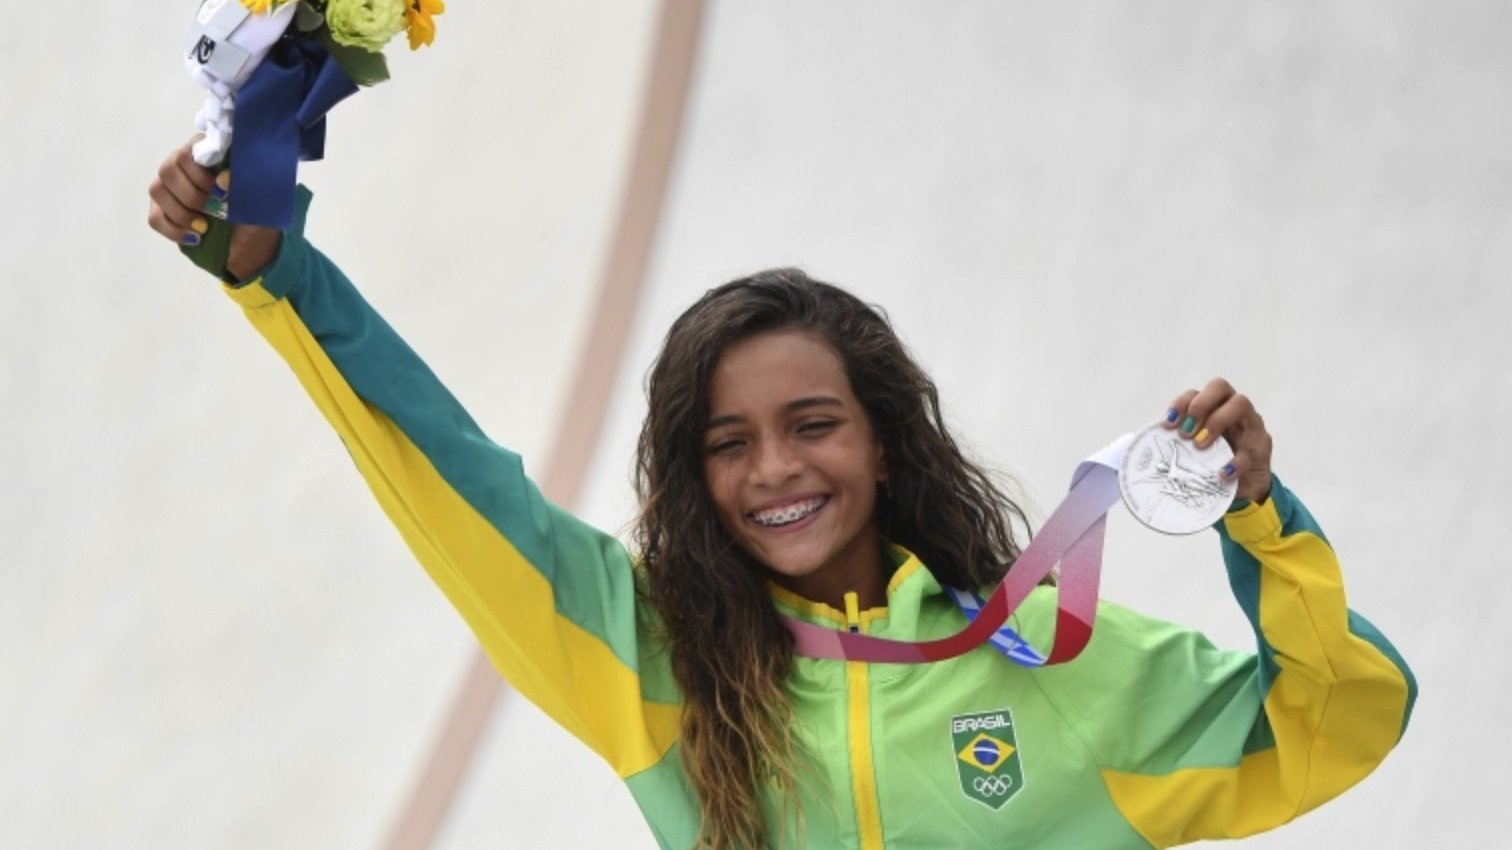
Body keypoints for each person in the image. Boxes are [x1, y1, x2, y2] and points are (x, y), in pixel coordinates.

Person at [147, 138, 1415, 850]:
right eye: (727, 441)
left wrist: (1259, 521)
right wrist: (274, 271)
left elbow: (1338, 719)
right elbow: (449, 472)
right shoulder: (646, 658)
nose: (775, 471)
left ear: (881, 441)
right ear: (693, 475)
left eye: (813, 425)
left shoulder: (1056, 663)